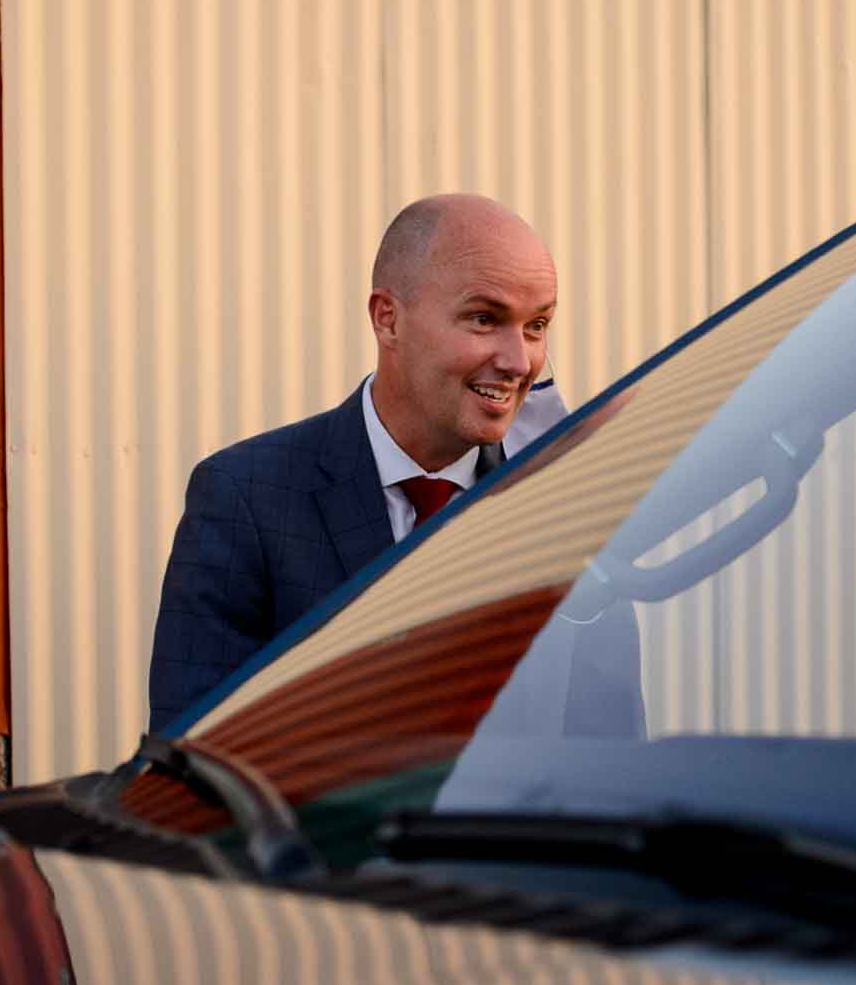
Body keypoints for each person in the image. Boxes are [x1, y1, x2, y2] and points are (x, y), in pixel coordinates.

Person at [147, 194, 561, 732]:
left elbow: (611, 760)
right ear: (388, 320)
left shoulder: (562, 502)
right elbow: (189, 763)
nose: (519, 361)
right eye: (485, 319)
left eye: (537, 326)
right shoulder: (244, 498)